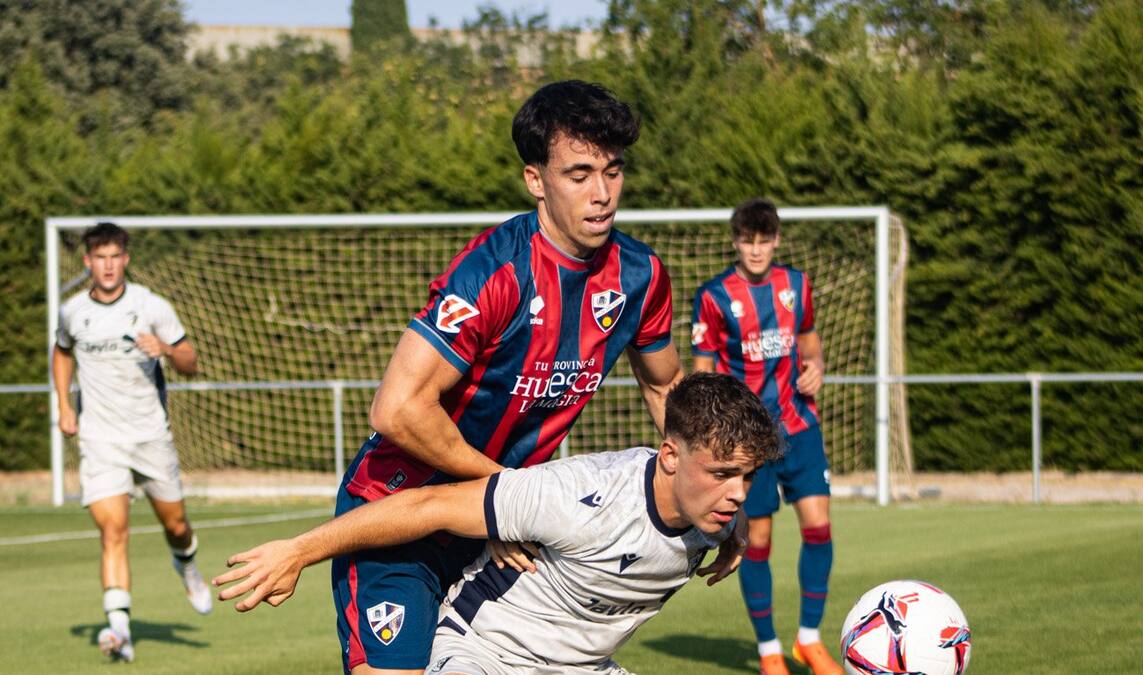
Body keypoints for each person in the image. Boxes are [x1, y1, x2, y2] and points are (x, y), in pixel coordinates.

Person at [324, 80, 740, 674]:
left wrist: (715, 484)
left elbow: (664, 387)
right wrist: (506, 494)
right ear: (535, 180)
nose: (602, 194)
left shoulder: (640, 276)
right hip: (401, 512)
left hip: (499, 521)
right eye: (579, 174)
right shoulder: (495, 272)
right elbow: (398, 409)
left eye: (613, 171)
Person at [215, 372, 781, 674]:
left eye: (748, 478)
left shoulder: (716, 509)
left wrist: (733, 531)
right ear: (670, 456)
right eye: (724, 474)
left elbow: (728, 502)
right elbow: (426, 506)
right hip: (482, 656)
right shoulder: (578, 495)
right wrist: (298, 551)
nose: (737, 494)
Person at [690, 198, 840, 675]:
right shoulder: (714, 296)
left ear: (776, 240)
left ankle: (810, 641)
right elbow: (703, 372)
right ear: (736, 241)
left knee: (819, 527)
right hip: (749, 440)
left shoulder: (797, 285)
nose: (756, 250)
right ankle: (770, 650)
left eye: (764, 240)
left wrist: (815, 368)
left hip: (800, 426)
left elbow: (811, 342)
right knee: (756, 542)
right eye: (747, 241)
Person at [52, 222, 211, 663]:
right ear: (87, 262)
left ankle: (189, 568)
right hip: (100, 440)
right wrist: (64, 405)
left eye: (114, 256)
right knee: (113, 530)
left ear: (126, 259)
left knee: (176, 526)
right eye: (99, 257)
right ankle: (119, 629)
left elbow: (190, 362)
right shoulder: (72, 311)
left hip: (149, 436)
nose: (107, 265)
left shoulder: (151, 306)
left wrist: (165, 348)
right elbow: (62, 351)